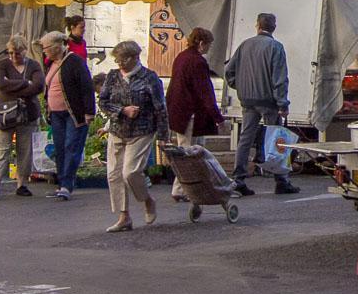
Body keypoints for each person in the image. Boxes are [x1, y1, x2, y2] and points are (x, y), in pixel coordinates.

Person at [224, 12, 298, 196]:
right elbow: (279, 78)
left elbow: (228, 70)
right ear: (274, 27)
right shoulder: (275, 47)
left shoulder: (244, 45)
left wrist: (238, 84)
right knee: (276, 139)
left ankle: (238, 179)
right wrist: (283, 103)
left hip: (247, 99)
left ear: (257, 25)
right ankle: (281, 180)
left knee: (245, 138)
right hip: (268, 100)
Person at [98, 40, 168, 232]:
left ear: (135, 57)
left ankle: (147, 200)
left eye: (123, 60)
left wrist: (163, 135)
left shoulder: (149, 77)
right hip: (117, 130)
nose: (119, 64)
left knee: (130, 172)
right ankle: (124, 216)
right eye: (117, 60)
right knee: (114, 175)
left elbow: (160, 107)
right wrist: (122, 110)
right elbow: (103, 102)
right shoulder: (112, 77)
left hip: (142, 130)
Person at [0, 35, 45, 199]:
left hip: (27, 114)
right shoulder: (2, 64)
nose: (13, 57)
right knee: (2, 148)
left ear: (25, 51)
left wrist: (12, 86)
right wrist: (25, 84)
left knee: (25, 150)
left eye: (17, 53)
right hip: (5, 113)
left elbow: (39, 86)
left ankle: (22, 184)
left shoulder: (34, 65)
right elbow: (0, 85)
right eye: (10, 53)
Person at [166, 27, 224, 199]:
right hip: (189, 113)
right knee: (188, 152)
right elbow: (205, 91)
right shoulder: (197, 62)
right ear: (201, 43)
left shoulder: (181, 57)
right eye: (208, 45)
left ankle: (182, 187)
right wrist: (218, 117)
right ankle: (182, 189)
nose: (209, 49)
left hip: (178, 111)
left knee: (186, 150)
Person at [41, 29, 95, 201]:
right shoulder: (51, 63)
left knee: (72, 147)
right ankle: (61, 183)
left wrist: (89, 112)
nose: (44, 51)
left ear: (57, 47)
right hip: (56, 114)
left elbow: (87, 87)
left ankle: (67, 185)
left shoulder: (75, 61)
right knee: (60, 148)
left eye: (46, 48)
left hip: (73, 114)